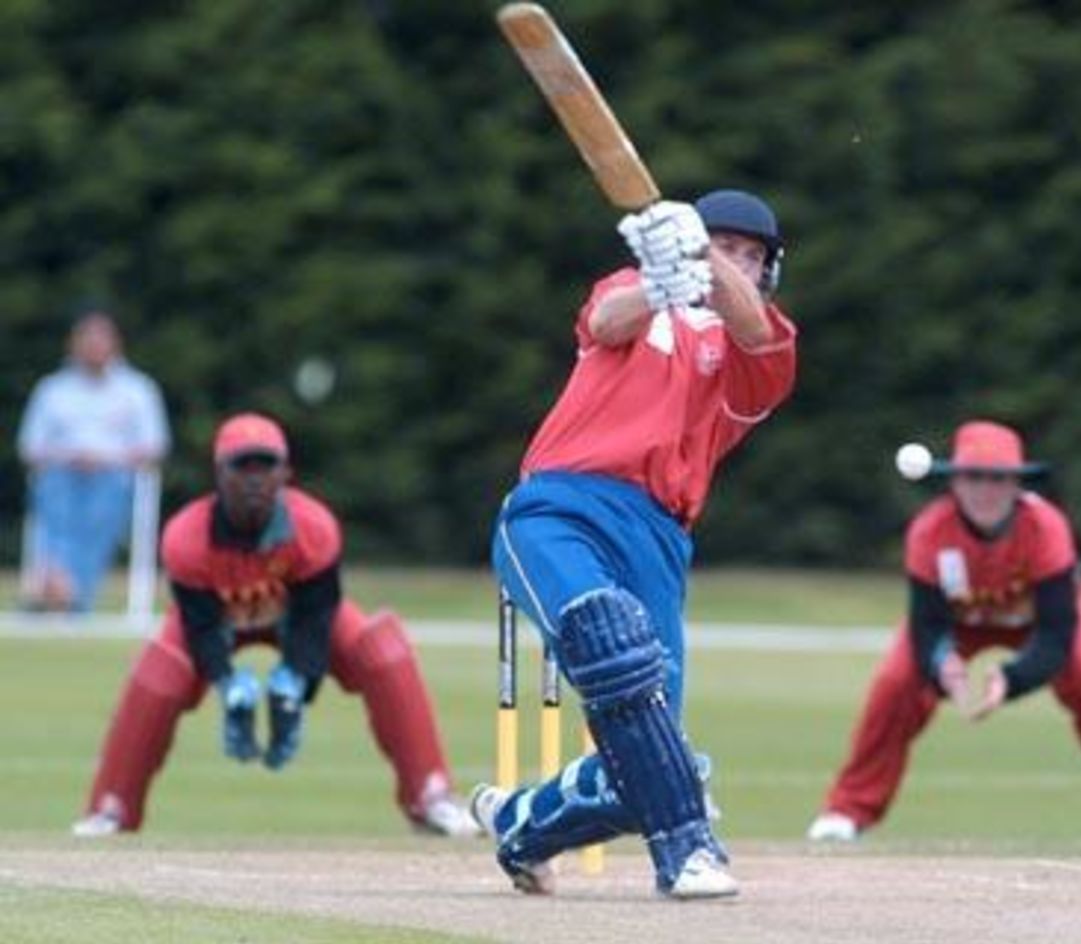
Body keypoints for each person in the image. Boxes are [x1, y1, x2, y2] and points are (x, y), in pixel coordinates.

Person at [469, 189, 797, 901]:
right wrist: (659, 283)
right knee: (608, 639)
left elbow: (752, 326)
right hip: (558, 507)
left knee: (646, 762)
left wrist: (702, 254)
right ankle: (687, 849)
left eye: (750, 256)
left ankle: (520, 823)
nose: (736, 264)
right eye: (724, 245)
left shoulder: (757, 350)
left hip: (658, 539)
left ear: (768, 273)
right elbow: (606, 320)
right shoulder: (633, 290)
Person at [72, 413, 476, 839]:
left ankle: (430, 795)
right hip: (217, 620)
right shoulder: (186, 537)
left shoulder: (313, 527)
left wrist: (297, 682)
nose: (254, 480)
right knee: (160, 669)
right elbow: (200, 626)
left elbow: (317, 615)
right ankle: (112, 808)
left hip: (298, 616)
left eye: (265, 466)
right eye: (241, 466)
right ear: (219, 473)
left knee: (382, 648)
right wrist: (225, 682)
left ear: (285, 473)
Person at [807, 420, 1081, 844]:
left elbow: (1057, 633)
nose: (985, 490)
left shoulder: (1046, 527)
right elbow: (927, 625)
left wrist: (1012, 678)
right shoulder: (930, 531)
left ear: (1016, 484)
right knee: (896, 684)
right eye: (973, 477)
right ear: (955, 483)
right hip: (959, 622)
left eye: (998, 478)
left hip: (1036, 621)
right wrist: (941, 663)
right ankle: (847, 810)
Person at [16, 310, 170, 612]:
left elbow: (155, 446)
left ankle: (63, 589)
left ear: (116, 344)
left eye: (101, 339)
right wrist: (70, 457)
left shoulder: (137, 390)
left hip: (115, 477)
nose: (94, 346)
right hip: (60, 475)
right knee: (56, 504)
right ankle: (64, 589)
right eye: (87, 339)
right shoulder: (52, 390)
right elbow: (30, 447)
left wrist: (107, 459)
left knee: (99, 514)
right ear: (72, 344)